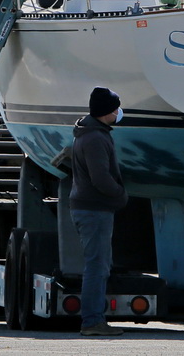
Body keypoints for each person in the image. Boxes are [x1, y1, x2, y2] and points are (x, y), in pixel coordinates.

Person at [70, 87, 128, 336]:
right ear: (108, 111)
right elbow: (101, 178)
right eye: (116, 108)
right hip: (95, 210)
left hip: (91, 208)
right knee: (97, 266)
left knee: (99, 264)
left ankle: (94, 319)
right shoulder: (95, 138)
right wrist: (121, 194)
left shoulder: (91, 133)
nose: (119, 112)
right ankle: (92, 321)